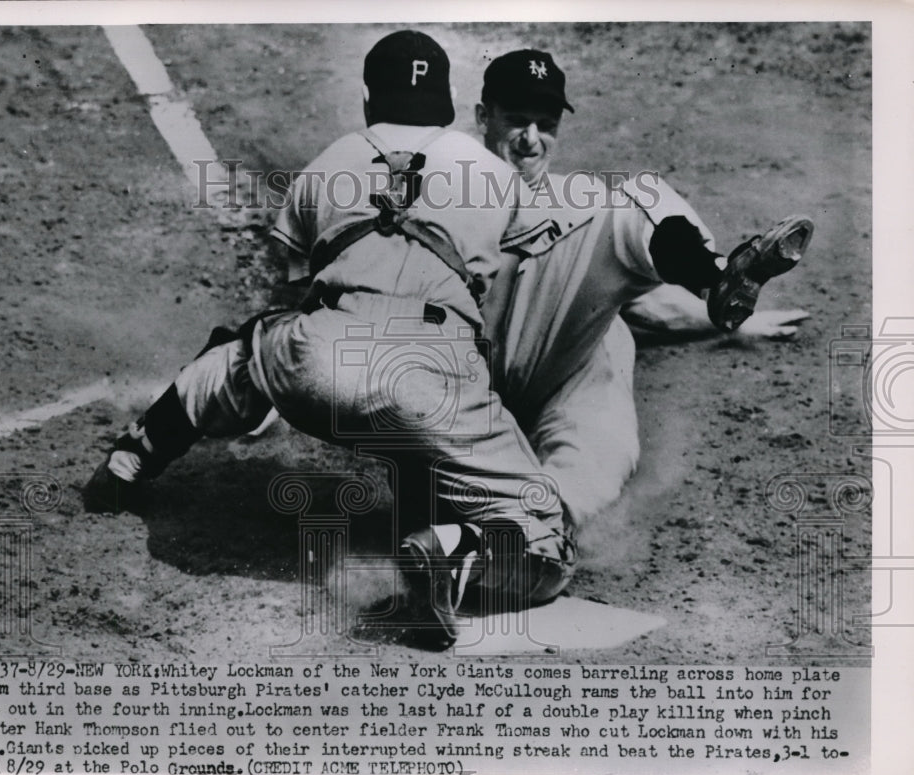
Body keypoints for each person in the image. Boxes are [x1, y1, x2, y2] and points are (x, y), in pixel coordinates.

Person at [84, 31, 577, 649]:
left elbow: (292, 290)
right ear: (450, 101)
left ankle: (130, 461)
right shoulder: (498, 176)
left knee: (245, 353)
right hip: (431, 382)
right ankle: (458, 550)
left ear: (369, 96)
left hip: (320, 364)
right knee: (548, 549)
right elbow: (533, 274)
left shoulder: (323, 165)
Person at [474, 49, 814, 531]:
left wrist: (723, 312)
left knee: (633, 229)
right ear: (483, 117)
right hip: (464, 393)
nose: (532, 140)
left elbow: (648, 304)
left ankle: (532, 527)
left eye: (546, 124)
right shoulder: (443, 195)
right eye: (517, 121)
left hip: (552, 378)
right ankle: (490, 522)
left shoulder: (577, 207)